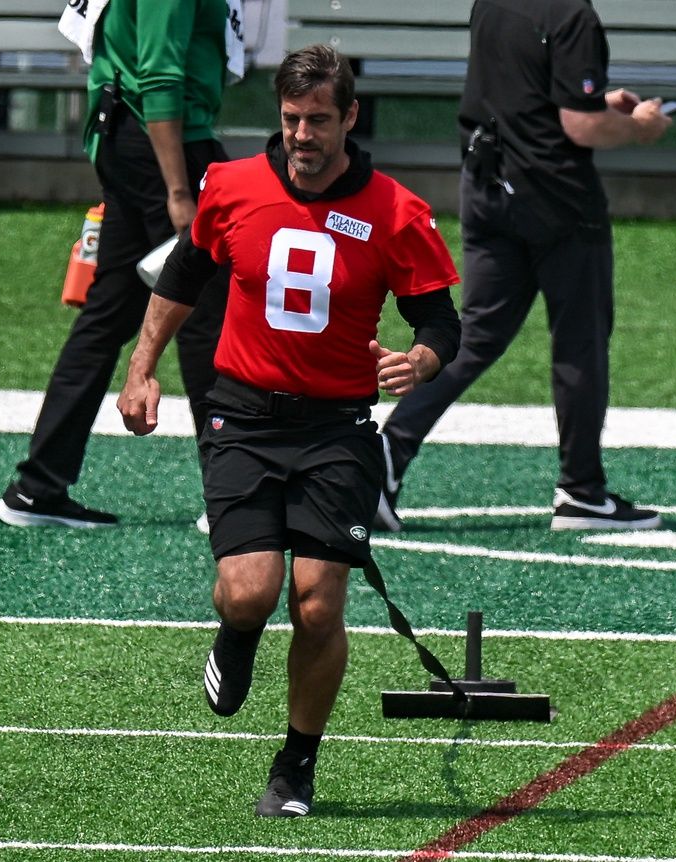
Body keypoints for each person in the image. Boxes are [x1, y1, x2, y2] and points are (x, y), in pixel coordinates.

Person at [117, 44, 460, 816]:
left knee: (317, 603)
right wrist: (142, 368)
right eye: (292, 119)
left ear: (350, 118)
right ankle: (236, 634)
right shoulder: (231, 186)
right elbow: (184, 274)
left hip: (337, 426)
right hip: (240, 415)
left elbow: (441, 318)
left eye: (319, 121)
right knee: (250, 592)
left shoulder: (396, 211)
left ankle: (296, 765)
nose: (304, 136)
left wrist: (424, 360)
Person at [375, 0, 672, 534]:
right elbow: (580, 127)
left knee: (475, 337)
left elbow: (523, 93)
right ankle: (581, 491)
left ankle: (384, 460)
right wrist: (638, 126)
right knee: (580, 340)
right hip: (555, 195)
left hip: (487, 185)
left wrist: (596, 100)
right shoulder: (572, 15)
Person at [0, 0, 237, 528]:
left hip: (128, 132)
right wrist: (177, 189)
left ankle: (38, 487)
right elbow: (159, 73)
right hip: (163, 141)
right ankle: (231, 496)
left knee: (112, 310)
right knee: (204, 314)